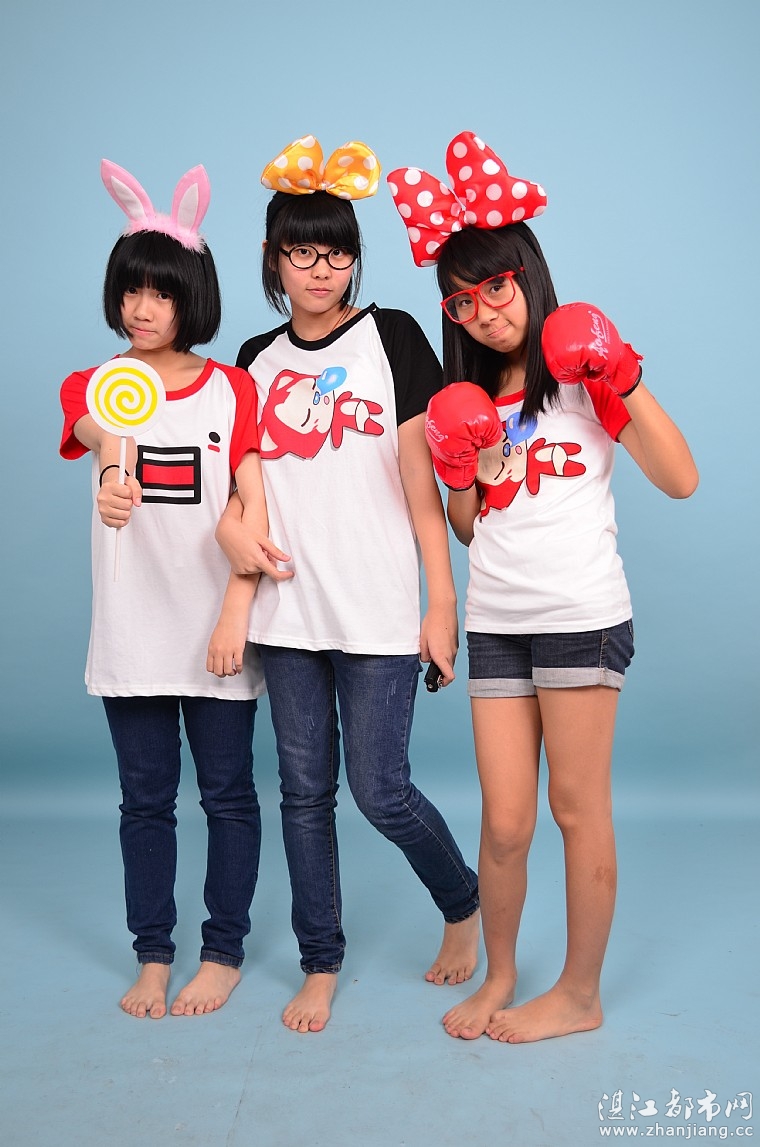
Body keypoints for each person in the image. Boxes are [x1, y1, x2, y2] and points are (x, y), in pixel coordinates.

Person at [387, 131, 698, 1043]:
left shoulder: (581, 373)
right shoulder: (469, 395)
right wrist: (461, 465)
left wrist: (620, 372)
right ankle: (501, 974)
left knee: (575, 807)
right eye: (461, 300)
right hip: (498, 621)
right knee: (507, 821)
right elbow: (470, 525)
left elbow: (680, 479)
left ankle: (579, 993)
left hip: (581, 616)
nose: (483, 312)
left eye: (495, 287)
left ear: (527, 273)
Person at [215, 135, 480, 1033]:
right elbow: (241, 492)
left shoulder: (392, 336)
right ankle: (320, 960)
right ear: (273, 259)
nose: (321, 271)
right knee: (303, 794)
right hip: (287, 613)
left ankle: (461, 900)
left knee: (381, 789)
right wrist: (236, 565)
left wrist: (441, 604)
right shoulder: (253, 358)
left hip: (377, 609)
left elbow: (424, 490)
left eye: (337, 253)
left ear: (354, 258)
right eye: (302, 253)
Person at [59, 160, 278, 1020]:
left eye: (160, 292)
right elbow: (96, 427)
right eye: (130, 290)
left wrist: (236, 610)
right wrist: (114, 471)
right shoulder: (96, 384)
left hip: (217, 630)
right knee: (145, 802)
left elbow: (252, 504)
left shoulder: (234, 389)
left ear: (193, 297)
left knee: (228, 795)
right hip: (132, 631)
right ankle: (153, 953)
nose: (142, 308)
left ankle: (223, 951)